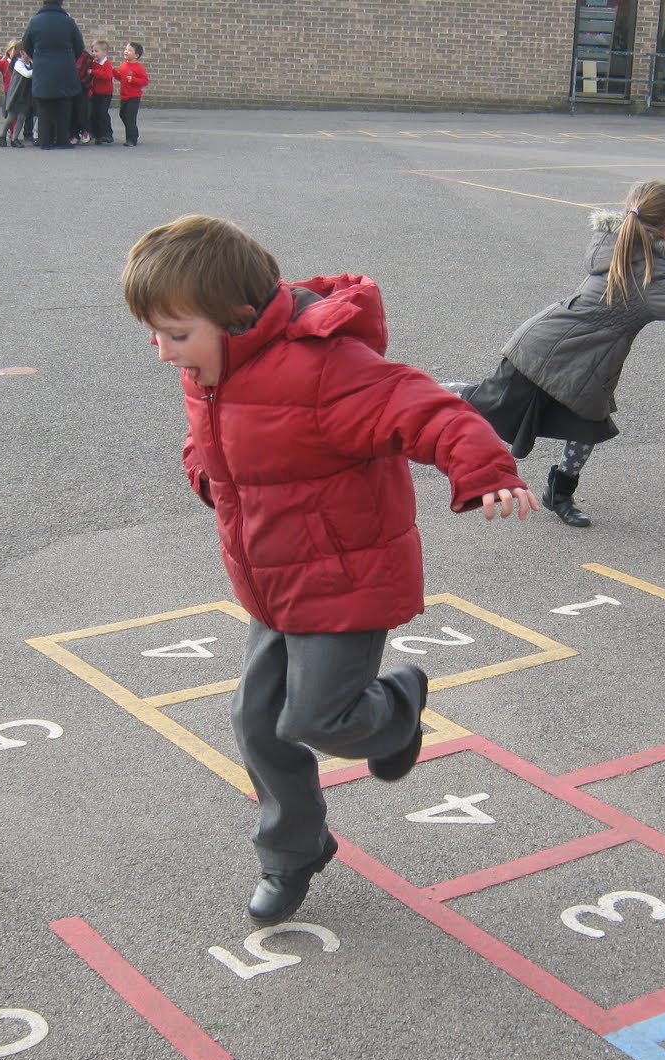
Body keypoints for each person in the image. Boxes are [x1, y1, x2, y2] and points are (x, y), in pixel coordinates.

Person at [120, 215, 535, 924]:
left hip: (347, 582)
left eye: (177, 334)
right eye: (153, 333)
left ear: (239, 319)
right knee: (256, 723)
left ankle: (399, 710)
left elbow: (428, 409)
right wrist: (204, 475)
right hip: (273, 583)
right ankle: (294, 851)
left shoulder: (326, 369)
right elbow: (210, 441)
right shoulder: (208, 370)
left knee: (317, 717)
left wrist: (485, 467)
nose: (163, 353)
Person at [449, 181, 665, 528]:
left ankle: (559, 492)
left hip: (586, 366)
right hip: (545, 354)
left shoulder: (626, 249)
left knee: (586, 425)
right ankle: (415, 395)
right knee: (484, 404)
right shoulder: (647, 275)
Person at [22, 0, 86, 150]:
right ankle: (62, 140)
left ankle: (45, 141)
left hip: (43, 70)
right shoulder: (68, 22)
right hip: (65, 69)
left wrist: (38, 58)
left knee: (44, 106)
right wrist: (69, 59)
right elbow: (79, 45)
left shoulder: (35, 21)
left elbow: (26, 44)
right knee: (64, 105)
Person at [116, 41, 148, 147]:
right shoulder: (123, 65)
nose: (126, 51)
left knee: (130, 117)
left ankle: (131, 139)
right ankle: (134, 132)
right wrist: (112, 72)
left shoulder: (138, 67)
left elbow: (144, 81)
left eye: (129, 50)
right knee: (123, 115)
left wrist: (133, 79)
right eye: (126, 49)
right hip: (124, 95)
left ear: (136, 55)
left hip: (134, 96)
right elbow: (121, 77)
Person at [1, 41, 33, 147]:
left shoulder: (30, 63)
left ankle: (15, 139)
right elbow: (27, 74)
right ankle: (2, 136)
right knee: (12, 117)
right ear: (22, 52)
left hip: (25, 95)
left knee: (21, 117)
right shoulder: (18, 63)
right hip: (16, 95)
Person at [88, 40, 116, 144]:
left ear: (104, 52)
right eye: (93, 51)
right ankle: (97, 135)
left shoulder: (107, 64)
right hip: (96, 92)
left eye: (96, 51)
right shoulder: (93, 63)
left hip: (105, 93)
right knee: (94, 113)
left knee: (103, 113)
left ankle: (108, 134)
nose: (94, 53)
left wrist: (93, 72)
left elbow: (107, 76)